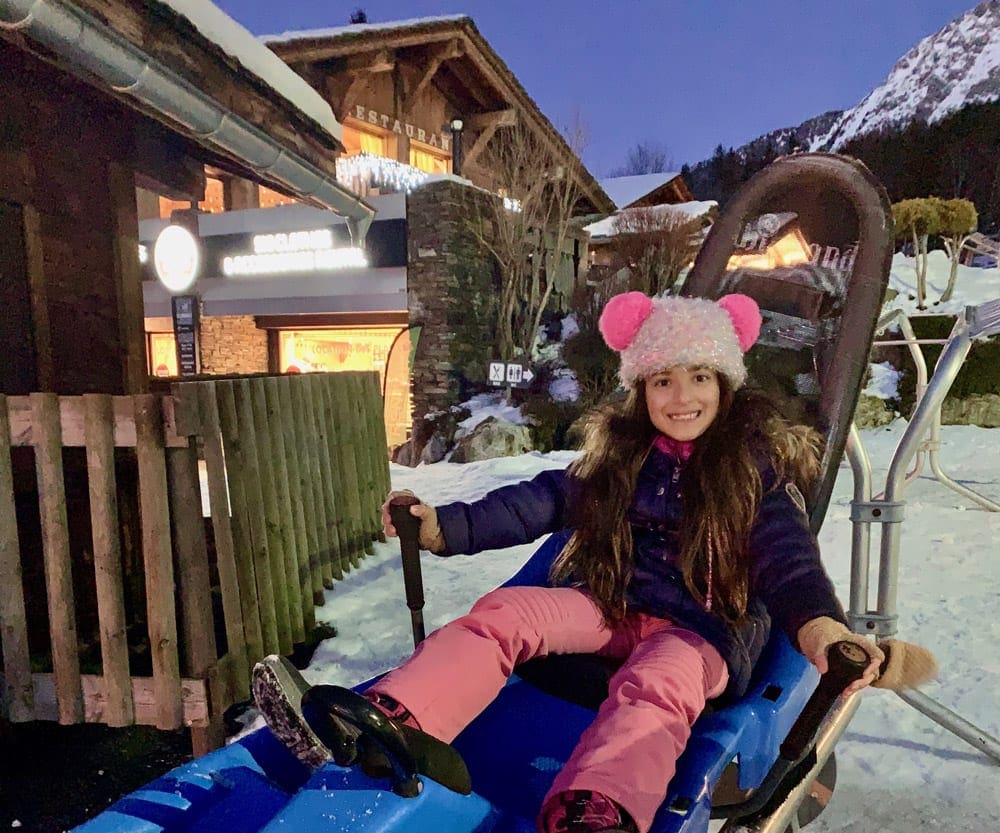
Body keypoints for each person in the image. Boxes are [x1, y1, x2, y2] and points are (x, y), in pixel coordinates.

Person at [255, 291, 927, 833]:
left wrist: (823, 631)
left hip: (701, 632)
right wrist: (444, 527)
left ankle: (597, 808)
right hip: (612, 605)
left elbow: (788, 561)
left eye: (698, 376)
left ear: (725, 383)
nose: (681, 395)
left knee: (656, 691)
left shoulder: (755, 469)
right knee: (507, 612)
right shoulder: (624, 459)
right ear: (642, 389)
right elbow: (540, 501)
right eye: (662, 379)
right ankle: (391, 721)